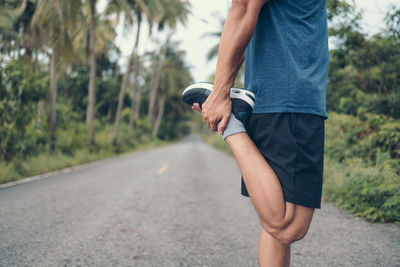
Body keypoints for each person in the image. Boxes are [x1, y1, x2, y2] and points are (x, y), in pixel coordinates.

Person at [185, 0, 328, 266]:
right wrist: (219, 92)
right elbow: (242, 8)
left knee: (273, 224)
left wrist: (221, 91)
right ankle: (232, 125)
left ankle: (233, 118)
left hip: (278, 97)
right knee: (287, 225)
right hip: (289, 97)